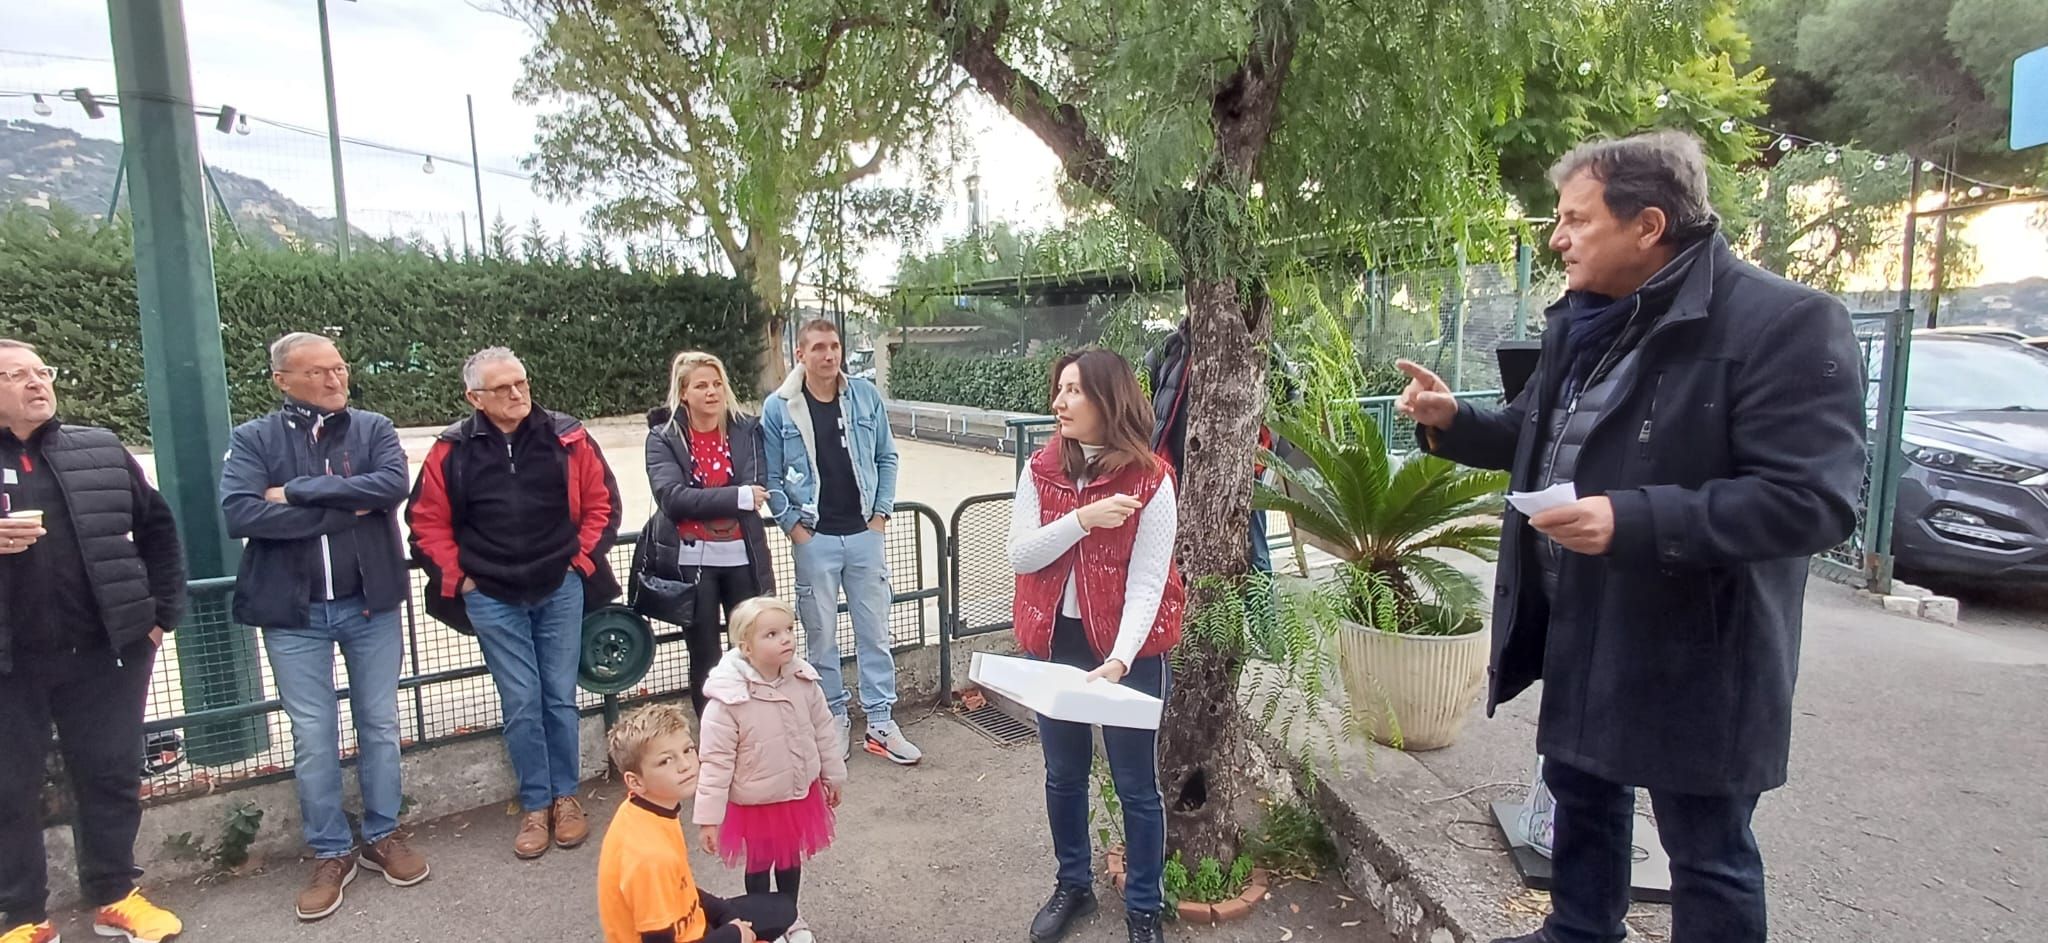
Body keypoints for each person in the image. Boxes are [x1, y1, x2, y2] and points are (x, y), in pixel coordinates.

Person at [1396, 131, 1866, 943]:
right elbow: (1538, 434)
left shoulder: (1784, 322)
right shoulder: (1589, 322)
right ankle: (1579, 930)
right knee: (1582, 794)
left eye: (1575, 218)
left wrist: (1632, 518)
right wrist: (1454, 422)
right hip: (1585, 615)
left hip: (1703, 644)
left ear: (1648, 225)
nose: (1557, 236)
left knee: (1707, 848)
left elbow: (1812, 500)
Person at [220, 332, 427, 921]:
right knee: (313, 736)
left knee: (380, 724)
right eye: (318, 373)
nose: (335, 380)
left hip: (372, 606)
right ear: (282, 380)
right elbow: (241, 512)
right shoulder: (253, 439)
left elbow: (390, 488)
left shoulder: (373, 428)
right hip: (295, 614)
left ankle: (383, 835)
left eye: (339, 368)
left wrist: (299, 495)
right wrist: (344, 510)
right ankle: (330, 850)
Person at [0, 340, 186, 943]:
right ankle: (23, 917)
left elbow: (158, 532)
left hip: (107, 653)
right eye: (15, 375)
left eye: (41, 372)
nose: (36, 384)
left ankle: (115, 895)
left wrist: (159, 618)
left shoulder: (99, 448)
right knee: (8, 789)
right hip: (9, 664)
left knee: (109, 775)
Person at [407, 347, 623, 860]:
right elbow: (424, 521)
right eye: (502, 388)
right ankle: (534, 804)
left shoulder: (567, 437)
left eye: (521, 382)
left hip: (559, 586)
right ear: (474, 397)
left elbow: (602, 503)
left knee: (559, 696)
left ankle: (566, 798)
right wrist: (459, 579)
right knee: (522, 700)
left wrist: (580, 565)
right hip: (491, 595)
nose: (517, 393)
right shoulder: (451, 450)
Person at [1008, 348, 1185, 943]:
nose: (1058, 402)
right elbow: (1021, 554)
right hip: (1057, 642)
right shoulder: (1040, 470)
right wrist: (1083, 520)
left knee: (1137, 785)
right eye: (1058, 390)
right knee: (1063, 773)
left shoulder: (1152, 478)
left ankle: (1143, 907)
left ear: (1107, 399)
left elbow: (1149, 581)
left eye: (1073, 391)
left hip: (1129, 652)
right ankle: (1074, 885)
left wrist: (1120, 659)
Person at [761, 319, 920, 765]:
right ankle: (832, 715)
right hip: (816, 537)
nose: (828, 355)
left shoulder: (865, 397)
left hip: (864, 534)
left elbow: (887, 456)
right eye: (818, 348)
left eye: (834, 347)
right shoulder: (780, 408)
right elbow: (771, 478)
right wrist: (793, 527)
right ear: (800, 354)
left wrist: (880, 514)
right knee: (821, 636)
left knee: (875, 631)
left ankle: (881, 721)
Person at [694, 597, 844, 943]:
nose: (786, 639)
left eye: (789, 630)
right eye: (772, 634)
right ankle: (763, 926)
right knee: (759, 866)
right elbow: (715, 762)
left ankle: (789, 917)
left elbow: (823, 729)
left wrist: (833, 776)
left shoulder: (803, 680)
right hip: (755, 802)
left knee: (790, 861)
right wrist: (709, 818)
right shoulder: (727, 699)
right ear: (746, 647)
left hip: (796, 793)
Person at [644, 351, 776, 716]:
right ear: (683, 392)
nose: (712, 392)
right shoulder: (663, 438)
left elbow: (758, 485)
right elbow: (674, 499)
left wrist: (727, 497)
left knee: (751, 645)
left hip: (743, 556)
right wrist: (737, 496)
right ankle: (715, 731)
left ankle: (756, 725)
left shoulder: (747, 430)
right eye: (701, 385)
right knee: (705, 655)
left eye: (718, 384)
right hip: (692, 561)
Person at [598, 702, 797, 943]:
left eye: (687, 750)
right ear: (635, 781)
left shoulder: (647, 810)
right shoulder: (649, 856)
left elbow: (682, 888)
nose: (684, 765)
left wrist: (727, 916)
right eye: (665, 761)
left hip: (690, 924)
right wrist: (734, 935)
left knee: (782, 909)